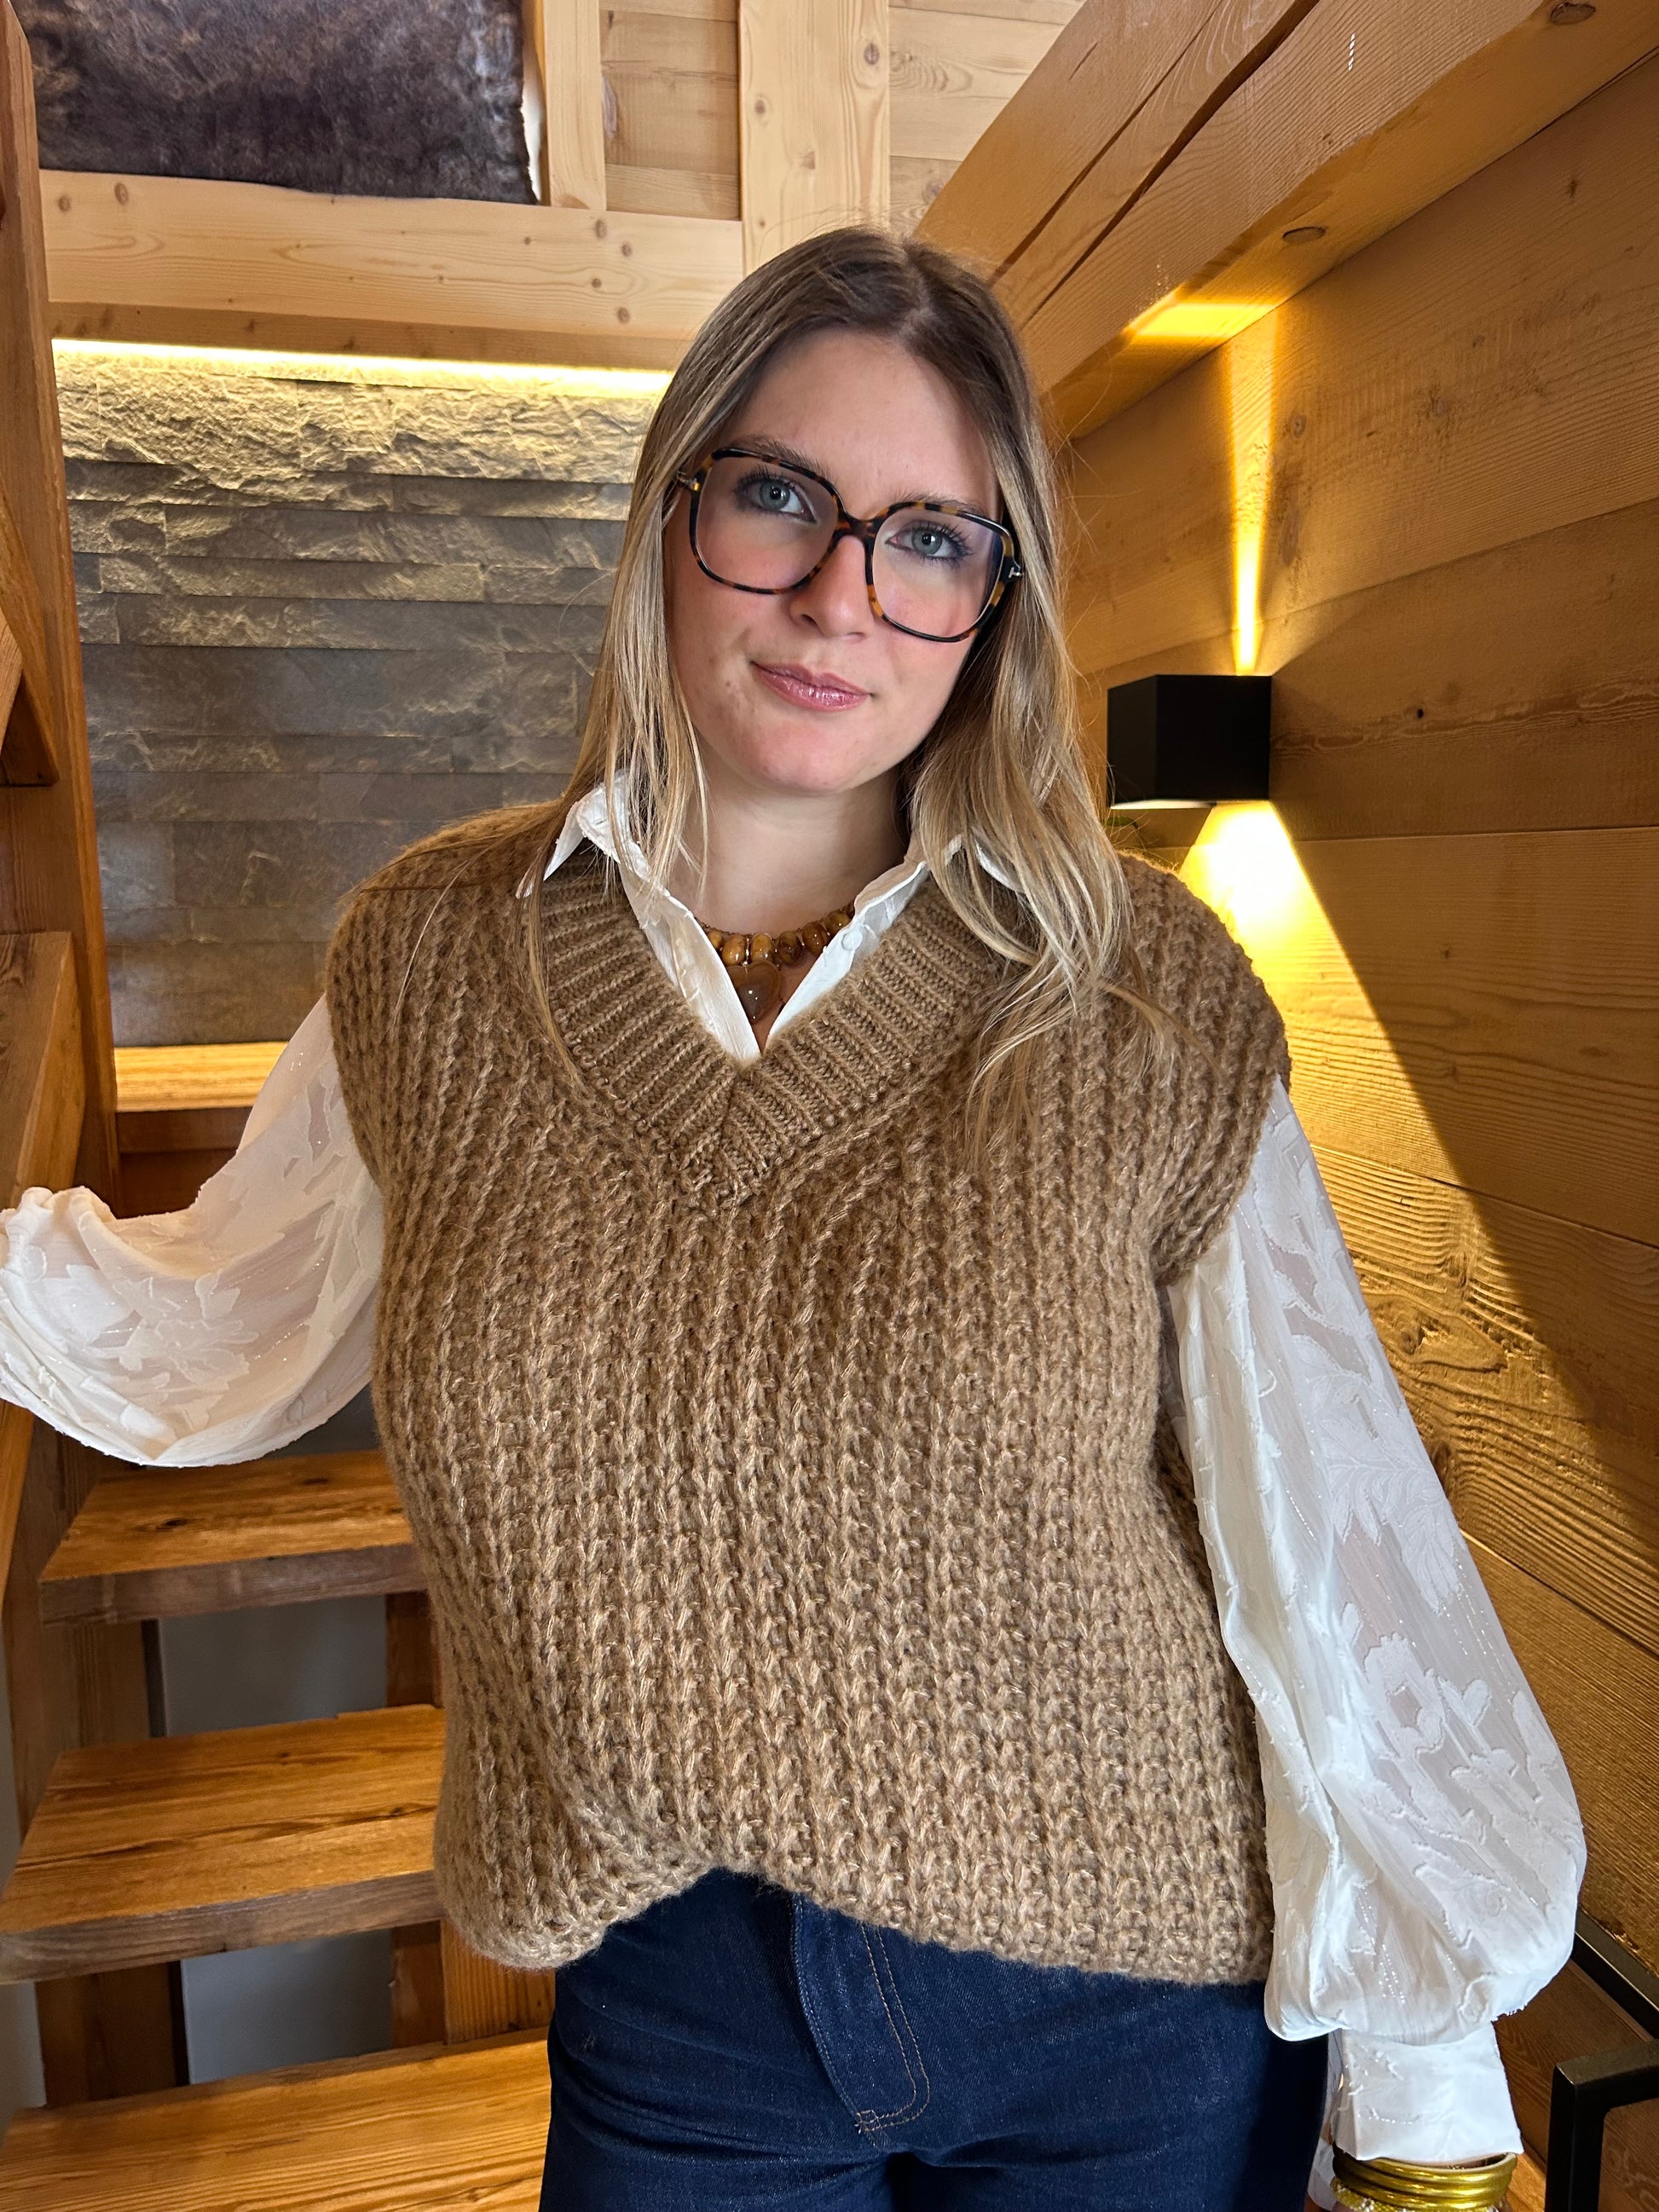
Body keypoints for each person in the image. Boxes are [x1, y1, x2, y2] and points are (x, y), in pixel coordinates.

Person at [0, 228, 1581, 2211]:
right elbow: (217, 1320)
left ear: (992, 603)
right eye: (779, 498)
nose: (845, 595)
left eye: (929, 538)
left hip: (1132, 2008)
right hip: (682, 1999)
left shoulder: (1142, 994)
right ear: (672, 516)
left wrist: (1424, 2072)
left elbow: (1327, 1544)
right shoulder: (426, 961)